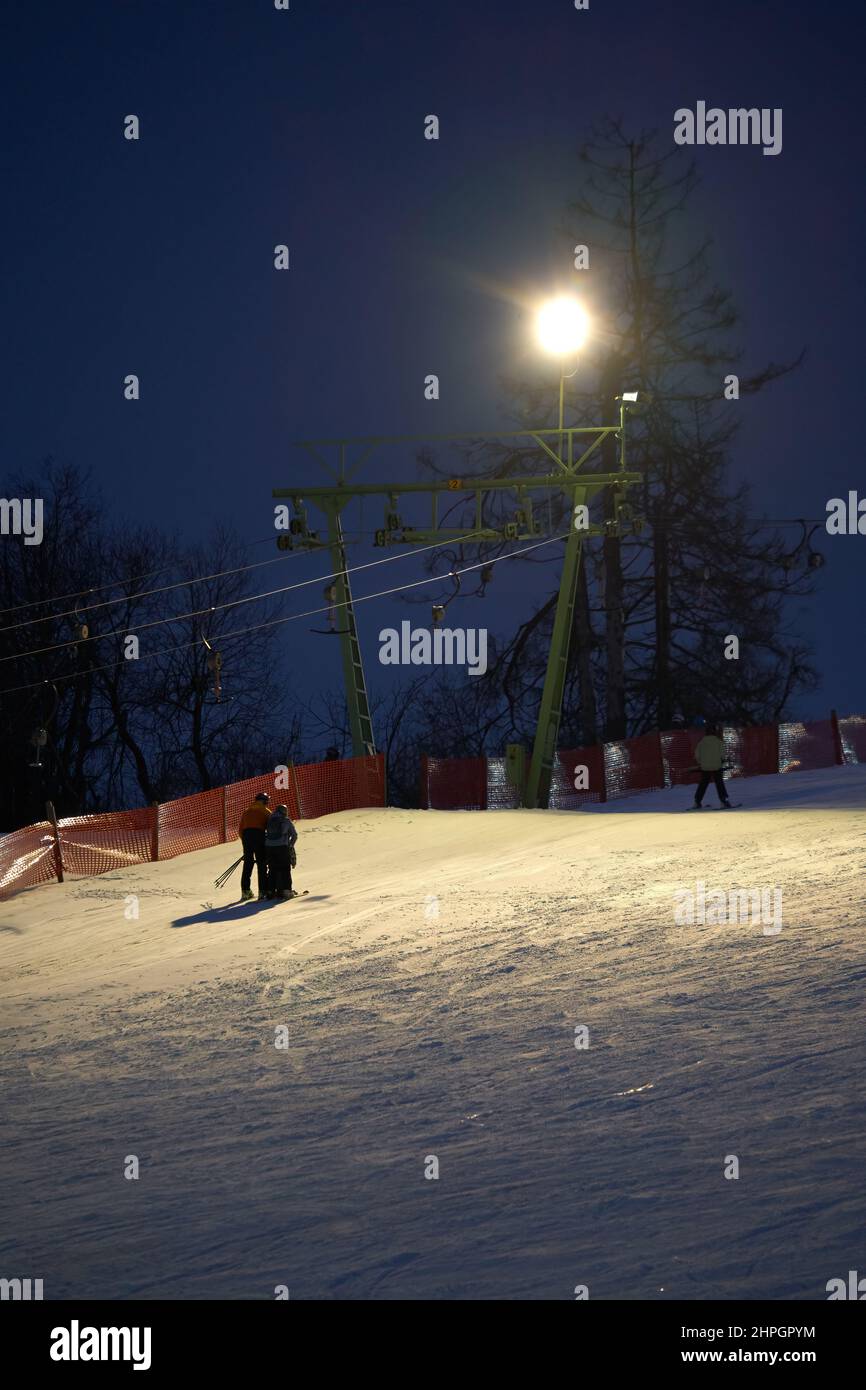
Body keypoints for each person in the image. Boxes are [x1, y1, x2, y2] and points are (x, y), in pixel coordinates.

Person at [238, 792, 271, 900]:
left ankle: (245, 891)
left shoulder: (246, 811)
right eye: (267, 801)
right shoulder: (266, 812)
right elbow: (272, 827)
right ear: (264, 801)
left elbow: (240, 830)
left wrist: (246, 843)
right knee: (261, 863)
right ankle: (262, 891)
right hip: (259, 836)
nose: (267, 803)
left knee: (248, 863)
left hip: (246, 837)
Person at [264, 803, 298, 900]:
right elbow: (294, 835)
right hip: (282, 847)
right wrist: (290, 845)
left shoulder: (270, 820)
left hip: (269, 848)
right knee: (285, 869)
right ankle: (287, 891)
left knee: (272, 869)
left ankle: (270, 891)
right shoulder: (286, 820)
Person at [694, 723, 731, 808]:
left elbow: (697, 755)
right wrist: (723, 762)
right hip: (716, 766)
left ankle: (697, 801)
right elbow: (723, 755)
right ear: (715, 732)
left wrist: (701, 763)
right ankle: (724, 801)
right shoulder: (718, 742)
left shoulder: (701, 743)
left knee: (703, 784)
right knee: (719, 783)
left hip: (705, 767)